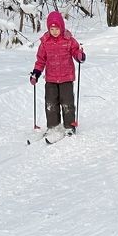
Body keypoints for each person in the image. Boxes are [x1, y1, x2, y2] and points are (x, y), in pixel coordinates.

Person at [29, 10, 86, 142]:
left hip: (66, 77)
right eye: (51, 29)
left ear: (62, 27)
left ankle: (69, 126)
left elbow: (76, 51)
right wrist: (36, 74)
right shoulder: (45, 42)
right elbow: (40, 60)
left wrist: (79, 56)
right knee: (51, 104)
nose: (54, 31)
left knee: (67, 103)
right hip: (51, 79)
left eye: (57, 28)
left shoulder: (68, 40)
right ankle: (53, 126)